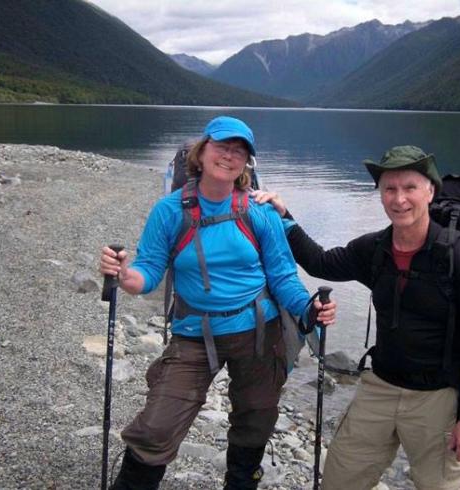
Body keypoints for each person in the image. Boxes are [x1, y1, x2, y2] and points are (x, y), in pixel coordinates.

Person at [99, 115, 336, 490]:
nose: (229, 156)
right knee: (158, 424)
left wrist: (308, 309)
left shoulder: (260, 213)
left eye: (239, 151)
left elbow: (283, 276)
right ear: (202, 150)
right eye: (222, 146)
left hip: (259, 331)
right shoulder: (169, 210)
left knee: (255, 420)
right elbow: (148, 270)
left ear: (246, 164)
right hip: (193, 331)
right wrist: (124, 275)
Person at [253, 145, 460, 489]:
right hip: (380, 387)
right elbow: (320, 262)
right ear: (381, 194)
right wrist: (284, 215)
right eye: (390, 189)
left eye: (410, 187)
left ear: (430, 191)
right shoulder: (375, 250)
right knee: (340, 481)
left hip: (438, 397)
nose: (399, 199)